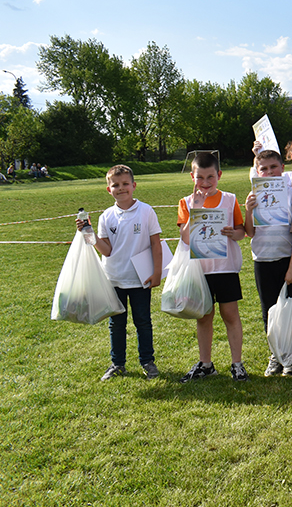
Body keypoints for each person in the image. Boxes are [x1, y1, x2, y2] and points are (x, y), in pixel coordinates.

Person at [82, 165, 163, 380]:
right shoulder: (106, 216)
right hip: (114, 279)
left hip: (140, 279)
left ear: (134, 185)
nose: (121, 188)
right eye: (115, 185)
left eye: (125, 184)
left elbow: (156, 244)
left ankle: (148, 362)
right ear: (108, 189)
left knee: (143, 322)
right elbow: (106, 250)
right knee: (116, 324)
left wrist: (157, 272)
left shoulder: (146, 211)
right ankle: (117, 364)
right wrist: (88, 232)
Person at [177, 152, 249, 382]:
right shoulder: (186, 202)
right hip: (200, 270)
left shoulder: (229, 199)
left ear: (219, 175)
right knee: (204, 316)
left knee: (230, 314)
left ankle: (237, 364)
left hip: (225, 268)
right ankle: (206, 363)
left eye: (210, 177)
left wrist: (233, 233)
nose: (205, 182)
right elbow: (185, 238)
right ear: (192, 177)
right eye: (200, 177)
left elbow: (241, 232)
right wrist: (196, 209)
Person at [243, 149, 292, 377]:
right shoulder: (254, 195)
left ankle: (291, 357)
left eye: (273, 167)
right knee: (269, 311)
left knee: (290, 310)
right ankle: (276, 355)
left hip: (287, 259)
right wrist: (248, 211)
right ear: (257, 172)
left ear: (282, 168)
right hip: (263, 260)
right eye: (264, 169)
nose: (269, 172)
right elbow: (249, 232)